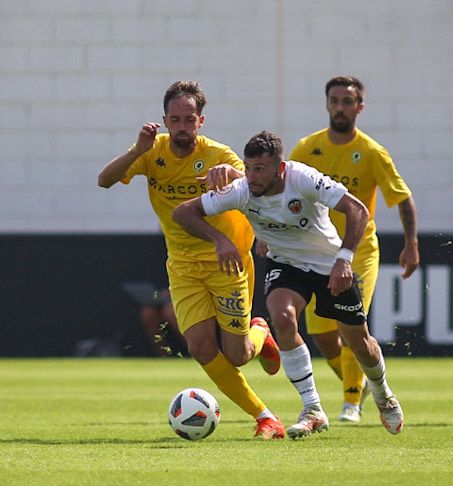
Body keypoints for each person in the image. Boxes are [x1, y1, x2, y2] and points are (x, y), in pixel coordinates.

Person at [173, 130, 405, 439]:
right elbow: (183, 212)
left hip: (328, 265)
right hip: (286, 265)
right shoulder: (242, 189)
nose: (252, 177)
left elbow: (357, 210)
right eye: (248, 168)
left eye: (260, 169)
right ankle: (312, 409)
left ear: (279, 168)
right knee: (282, 317)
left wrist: (344, 259)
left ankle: (382, 393)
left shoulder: (303, 179)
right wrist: (220, 240)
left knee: (358, 343)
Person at [97, 81, 286, 439]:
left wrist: (230, 175)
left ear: (201, 121)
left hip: (226, 260)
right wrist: (136, 151)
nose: (182, 127)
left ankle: (260, 333)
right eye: (175, 120)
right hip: (182, 265)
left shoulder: (217, 154)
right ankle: (265, 418)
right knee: (200, 347)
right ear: (165, 120)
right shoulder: (153, 152)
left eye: (189, 119)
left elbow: (252, 181)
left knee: (239, 354)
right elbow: (104, 180)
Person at [286, 75, 419, 422]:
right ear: (327, 104)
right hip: (316, 251)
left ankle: (350, 404)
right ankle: (356, 389)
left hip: (358, 250)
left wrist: (411, 244)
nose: (341, 107)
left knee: (350, 324)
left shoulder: (372, 152)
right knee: (324, 337)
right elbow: (282, 189)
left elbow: (402, 199)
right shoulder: (306, 148)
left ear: (360, 107)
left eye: (348, 101)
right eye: (335, 100)